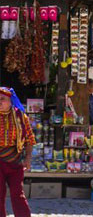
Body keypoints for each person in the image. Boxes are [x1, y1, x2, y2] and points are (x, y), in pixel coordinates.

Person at [0, 87, 35, 217]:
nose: (0, 102)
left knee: (18, 195)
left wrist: (28, 158)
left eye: (2, 99)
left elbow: (30, 139)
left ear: (10, 101)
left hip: (16, 162)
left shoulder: (20, 116)